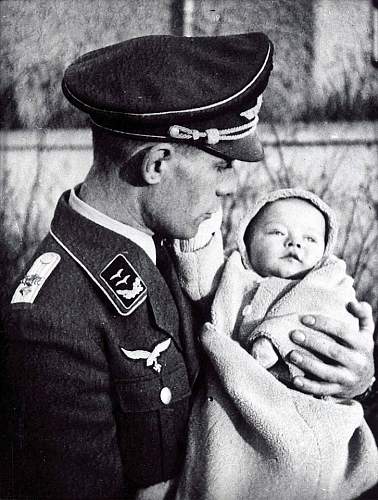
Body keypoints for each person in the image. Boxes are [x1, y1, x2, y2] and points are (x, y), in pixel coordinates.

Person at [0, 33, 375, 500]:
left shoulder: (179, 243)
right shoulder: (53, 317)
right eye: (221, 167)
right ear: (157, 164)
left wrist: (345, 377)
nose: (230, 188)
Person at [172, 188, 378, 499]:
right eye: (277, 232)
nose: (294, 243)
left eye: (310, 239)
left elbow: (329, 318)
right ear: (247, 241)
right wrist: (201, 229)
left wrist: (273, 339)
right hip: (232, 417)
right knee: (221, 473)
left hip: (298, 415)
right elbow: (198, 276)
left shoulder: (329, 283)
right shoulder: (234, 276)